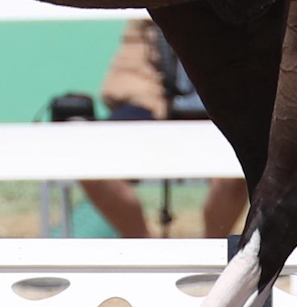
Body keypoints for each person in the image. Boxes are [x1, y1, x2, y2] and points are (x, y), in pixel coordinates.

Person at [78, 18, 248, 239]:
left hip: (217, 102)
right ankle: (144, 252)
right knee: (90, 160)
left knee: (241, 163)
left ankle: (211, 255)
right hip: (145, 99)